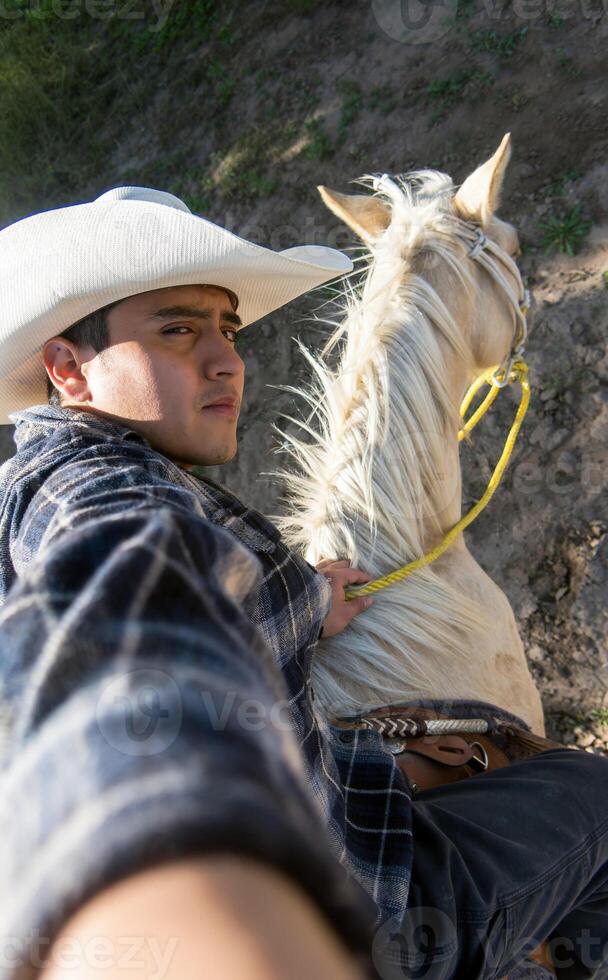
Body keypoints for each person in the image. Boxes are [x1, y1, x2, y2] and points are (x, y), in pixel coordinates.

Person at [0, 186, 606, 980]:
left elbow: (213, 585)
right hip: (361, 913)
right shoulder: (90, 489)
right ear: (67, 369)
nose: (225, 359)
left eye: (227, 328)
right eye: (177, 329)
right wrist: (149, 860)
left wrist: (308, 598)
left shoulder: (114, 471)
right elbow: (127, 596)